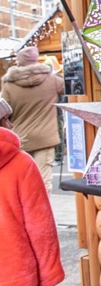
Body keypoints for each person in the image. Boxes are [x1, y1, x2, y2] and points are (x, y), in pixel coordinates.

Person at [0, 98, 64, 286]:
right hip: (15, 275)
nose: (11, 125)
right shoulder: (21, 164)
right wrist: (49, 273)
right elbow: (40, 225)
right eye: (6, 119)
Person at [1, 46, 65, 193]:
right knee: (43, 180)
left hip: (20, 137)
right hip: (46, 137)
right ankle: (42, 212)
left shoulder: (9, 85)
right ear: (36, 59)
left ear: (20, 61)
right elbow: (74, 89)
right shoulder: (52, 80)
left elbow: (4, 111)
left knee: (22, 179)